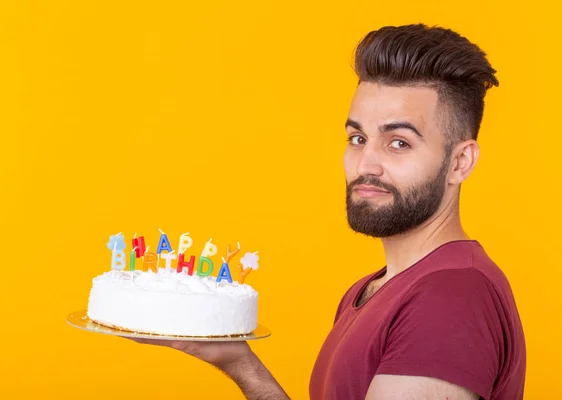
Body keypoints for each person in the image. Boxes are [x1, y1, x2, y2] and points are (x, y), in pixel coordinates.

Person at [132, 23, 526, 400]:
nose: (366, 164)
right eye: (358, 138)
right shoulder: (369, 291)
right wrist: (242, 365)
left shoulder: (451, 295)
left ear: (460, 162)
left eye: (399, 143)